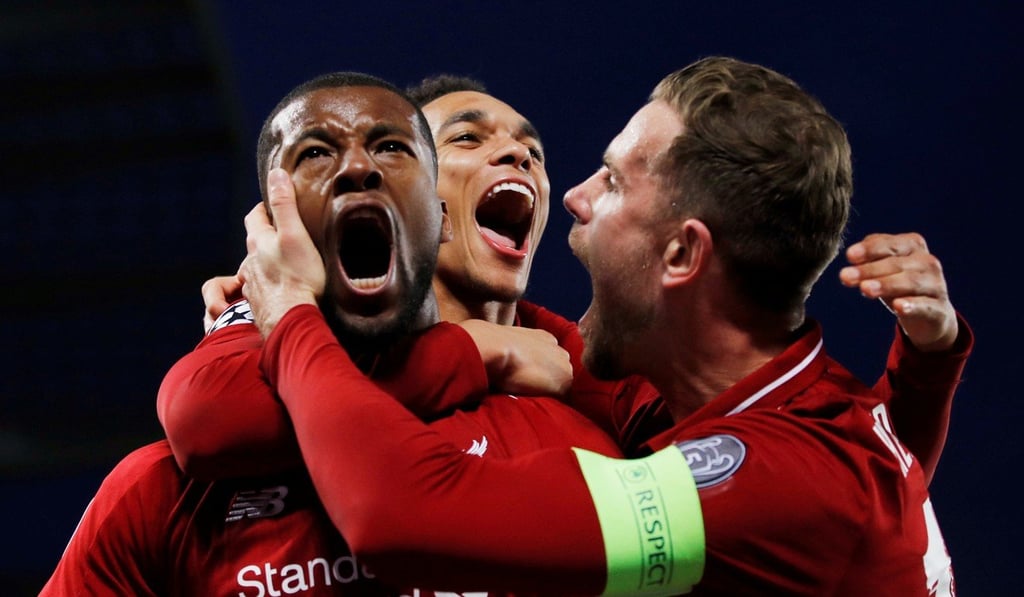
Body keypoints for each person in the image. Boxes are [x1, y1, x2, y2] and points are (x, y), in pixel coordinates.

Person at [237, 57, 961, 595]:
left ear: (681, 253)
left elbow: (403, 515)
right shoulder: (779, 404)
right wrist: (934, 358)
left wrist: (292, 312)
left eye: (612, 182)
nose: (577, 197)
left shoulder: (769, 481)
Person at [160, 75, 971, 484]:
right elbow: (206, 416)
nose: (516, 154)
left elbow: (838, 479)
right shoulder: (288, 327)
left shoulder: (590, 375)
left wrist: (927, 359)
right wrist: (480, 348)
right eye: (467, 139)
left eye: (531, 149)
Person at [41, 72, 620, 596]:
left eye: (392, 149)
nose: (358, 169)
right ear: (273, 226)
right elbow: (202, 412)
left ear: (438, 218)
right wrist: (468, 348)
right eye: (318, 152)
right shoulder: (162, 491)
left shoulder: (580, 439)